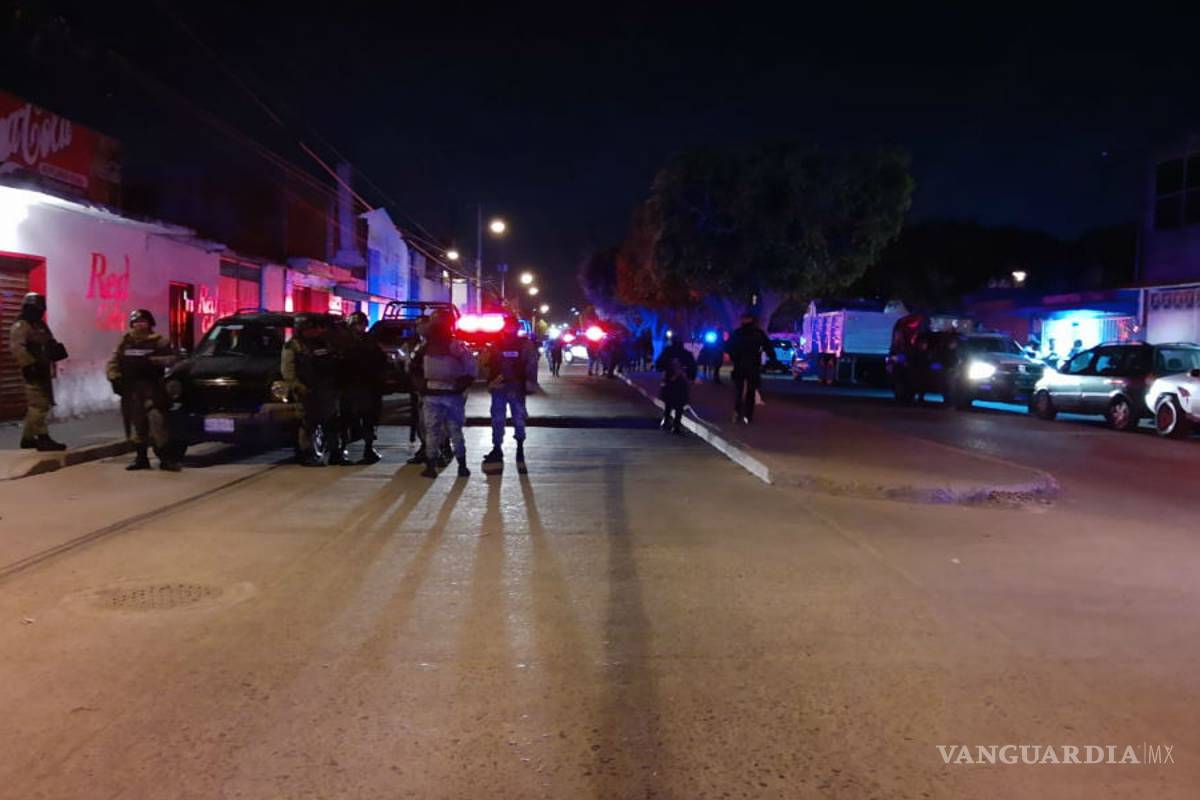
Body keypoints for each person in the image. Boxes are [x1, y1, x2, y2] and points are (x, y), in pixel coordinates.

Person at [106, 309, 180, 471]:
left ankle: (165, 459)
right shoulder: (125, 341)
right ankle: (141, 458)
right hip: (132, 391)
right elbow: (113, 362)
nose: (139, 325)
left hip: (153, 389)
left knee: (157, 424)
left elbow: (172, 360)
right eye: (136, 322)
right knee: (136, 426)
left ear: (149, 324)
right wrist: (114, 376)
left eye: (143, 322)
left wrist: (152, 361)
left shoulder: (159, 341)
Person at [409, 309, 475, 478]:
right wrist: (460, 386)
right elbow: (471, 369)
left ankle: (431, 467)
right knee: (455, 430)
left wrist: (421, 387)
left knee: (432, 431)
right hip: (450, 394)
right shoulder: (456, 345)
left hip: (432, 393)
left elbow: (412, 366)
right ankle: (462, 466)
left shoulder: (425, 346)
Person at [480, 316, 539, 473]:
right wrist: (490, 382)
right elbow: (487, 364)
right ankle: (499, 448)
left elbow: (531, 364)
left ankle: (518, 449)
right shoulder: (497, 343)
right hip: (501, 386)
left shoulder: (523, 344)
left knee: (517, 419)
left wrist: (529, 383)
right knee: (499, 419)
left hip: (515, 386)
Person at [9, 292, 67, 451]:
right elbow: (17, 348)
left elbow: (49, 340)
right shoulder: (21, 326)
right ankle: (42, 437)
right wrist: (29, 365)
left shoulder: (40, 325)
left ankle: (28, 439)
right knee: (39, 405)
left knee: (41, 403)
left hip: (43, 368)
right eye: (35, 308)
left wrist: (55, 350)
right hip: (32, 370)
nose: (38, 311)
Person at [281, 314, 342, 466]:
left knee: (332, 423)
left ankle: (335, 453)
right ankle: (307, 455)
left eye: (314, 328)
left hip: (326, 389)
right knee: (308, 424)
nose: (314, 331)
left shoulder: (323, 343)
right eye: (309, 329)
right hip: (306, 391)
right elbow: (288, 369)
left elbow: (332, 362)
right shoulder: (294, 346)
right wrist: (297, 386)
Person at [338, 311, 387, 465]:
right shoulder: (361, 342)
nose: (360, 327)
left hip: (360, 386)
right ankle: (350, 450)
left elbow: (380, 361)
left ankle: (362, 450)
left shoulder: (347, 341)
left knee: (364, 420)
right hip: (357, 386)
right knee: (359, 419)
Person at [724, 312, 775, 424]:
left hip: (740, 365)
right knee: (750, 392)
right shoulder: (758, 333)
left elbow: (728, 347)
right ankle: (748, 416)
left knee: (739, 391)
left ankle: (738, 412)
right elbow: (768, 347)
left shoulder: (737, 333)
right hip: (753, 365)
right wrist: (773, 360)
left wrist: (730, 355)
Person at [655, 337, 697, 434]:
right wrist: (691, 377)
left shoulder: (667, 352)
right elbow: (692, 367)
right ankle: (676, 424)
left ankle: (666, 420)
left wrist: (665, 369)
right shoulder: (686, 354)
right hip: (681, 381)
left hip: (669, 380)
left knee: (668, 402)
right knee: (680, 404)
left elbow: (658, 364)